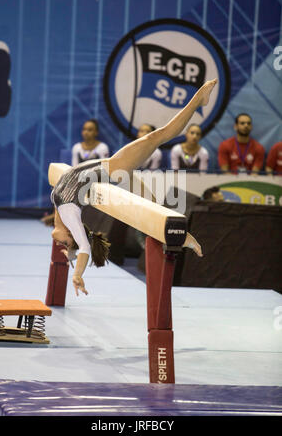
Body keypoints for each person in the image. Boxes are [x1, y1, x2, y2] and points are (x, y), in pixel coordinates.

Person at [51, 79, 218, 296]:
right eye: (66, 243)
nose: (59, 244)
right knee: (161, 135)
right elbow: (84, 248)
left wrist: (70, 255)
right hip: (116, 168)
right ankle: (198, 100)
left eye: (63, 246)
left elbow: (73, 245)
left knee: (154, 207)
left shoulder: (58, 204)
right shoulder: (70, 215)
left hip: (117, 171)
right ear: (71, 233)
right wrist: (77, 274)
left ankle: (182, 236)